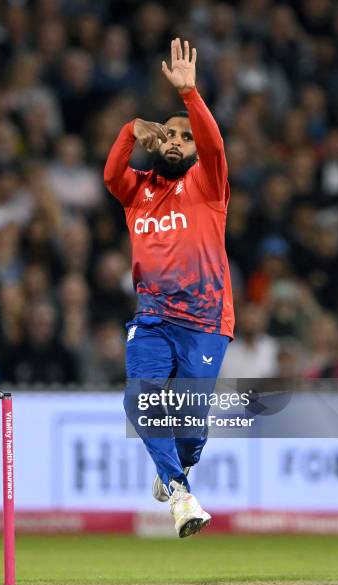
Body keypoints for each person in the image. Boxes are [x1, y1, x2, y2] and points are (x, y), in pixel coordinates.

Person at [104, 39, 234, 537]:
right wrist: (130, 130)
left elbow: (216, 145)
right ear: (158, 144)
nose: (179, 140)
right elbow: (112, 173)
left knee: (191, 428)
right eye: (171, 135)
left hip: (205, 322)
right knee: (142, 399)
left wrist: (190, 97)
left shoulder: (208, 185)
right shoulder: (137, 192)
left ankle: (173, 469)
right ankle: (180, 495)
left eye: (187, 137)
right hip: (153, 319)